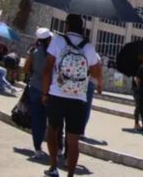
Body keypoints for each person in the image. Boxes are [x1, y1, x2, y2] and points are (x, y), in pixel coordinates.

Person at [42, 14, 102, 177]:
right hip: (78, 98)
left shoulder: (58, 41)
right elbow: (96, 73)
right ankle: (70, 175)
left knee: (53, 130)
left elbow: (47, 69)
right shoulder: (88, 47)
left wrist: (45, 92)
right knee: (73, 139)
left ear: (67, 25)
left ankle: (53, 167)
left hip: (57, 93)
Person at [23, 27, 52, 159]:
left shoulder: (33, 51)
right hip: (48, 90)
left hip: (34, 87)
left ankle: (37, 147)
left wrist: (34, 73)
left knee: (36, 119)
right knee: (44, 119)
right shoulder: (52, 54)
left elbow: (25, 68)